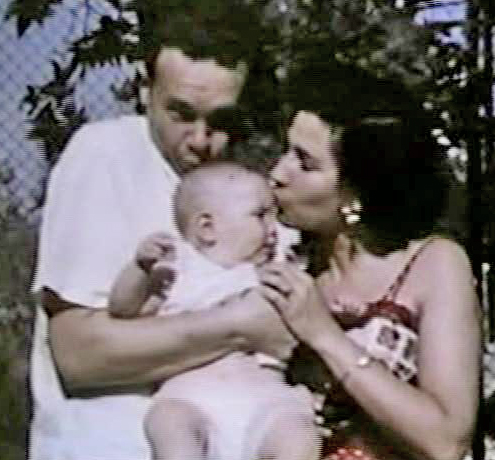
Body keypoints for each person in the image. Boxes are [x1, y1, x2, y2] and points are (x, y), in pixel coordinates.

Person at [29, 4, 297, 459]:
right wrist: (239, 325)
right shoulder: (105, 154)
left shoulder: (239, 185)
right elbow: (80, 356)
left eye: (221, 121)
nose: (200, 140)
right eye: (181, 113)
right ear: (145, 88)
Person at [257, 107, 481, 460]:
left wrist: (325, 336)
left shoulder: (434, 263)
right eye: (286, 151)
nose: (277, 174)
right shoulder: (281, 255)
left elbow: (446, 441)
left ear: (354, 193)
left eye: (305, 163)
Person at [109, 161, 320, 460]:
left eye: (275, 216)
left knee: (299, 435)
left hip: (267, 401)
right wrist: (139, 269)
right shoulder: (176, 270)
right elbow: (122, 309)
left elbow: (308, 317)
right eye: (260, 215)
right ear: (207, 228)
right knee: (168, 421)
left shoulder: (277, 270)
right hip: (193, 399)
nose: (274, 230)